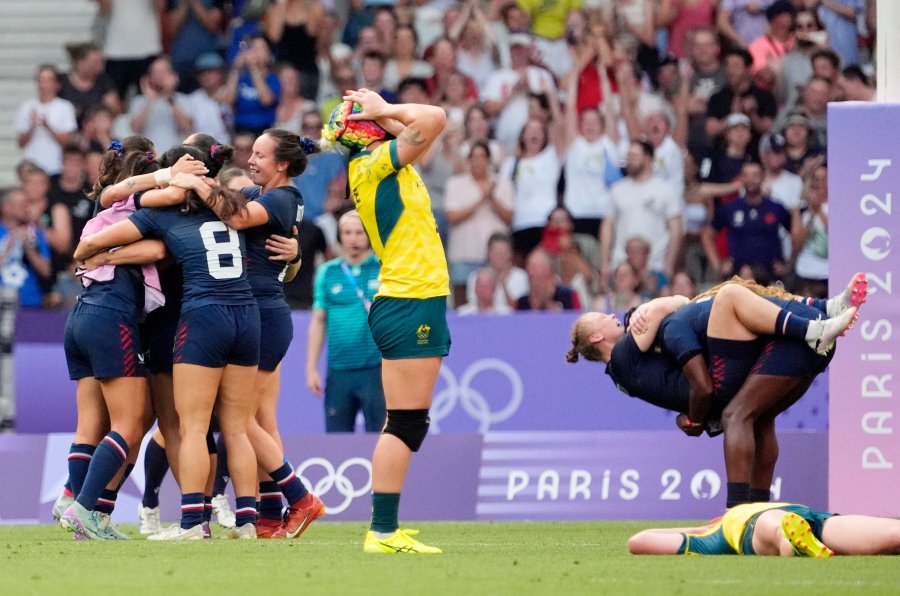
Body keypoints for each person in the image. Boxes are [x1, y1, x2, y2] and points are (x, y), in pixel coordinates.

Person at [74, 147, 261, 541]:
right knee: (237, 428)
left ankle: (193, 522)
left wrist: (99, 255)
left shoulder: (159, 214)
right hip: (248, 314)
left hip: (199, 317)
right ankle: (246, 520)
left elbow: (96, 238)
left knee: (185, 427)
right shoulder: (235, 206)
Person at [568, 275, 863, 507]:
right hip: (712, 389)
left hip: (706, 397)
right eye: (601, 318)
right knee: (729, 296)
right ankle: (815, 324)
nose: (610, 316)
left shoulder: (625, 368)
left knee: (759, 419)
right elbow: (673, 304)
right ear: (596, 337)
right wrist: (646, 309)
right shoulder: (621, 355)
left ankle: (824, 309)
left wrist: (692, 418)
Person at [319, 90, 449, 554]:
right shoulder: (375, 167)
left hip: (413, 296)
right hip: (410, 297)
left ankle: (385, 527)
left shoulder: (383, 165)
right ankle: (382, 531)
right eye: (375, 120)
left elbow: (424, 128)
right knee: (406, 422)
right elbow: (434, 114)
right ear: (368, 130)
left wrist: (383, 116)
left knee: (406, 420)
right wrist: (386, 109)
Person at [187, 128, 326, 539]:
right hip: (259, 312)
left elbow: (234, 216)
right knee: (255, 420)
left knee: (240, 420)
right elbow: (228, 203)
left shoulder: (283, 197)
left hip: (262, 313)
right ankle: (267, 516)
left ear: (282, 164)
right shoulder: (265, 195)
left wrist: (191, 179)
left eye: (260, 156)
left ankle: (300, 498)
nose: (251, 161)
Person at [58, 136, 161, 540]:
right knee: (131, 423)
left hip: (81, 315)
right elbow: (155, 248)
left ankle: (82, 510)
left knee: (90, 425)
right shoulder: (140, 208)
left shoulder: (98, 216)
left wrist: (103, 256)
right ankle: (84, 508)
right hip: (111, 317)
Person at [307, 211, 386, 433]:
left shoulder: (383, 269)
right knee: (337, 437)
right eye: (347, 233)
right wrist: (311, 367)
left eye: (359, 232)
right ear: (340, 237)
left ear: (369, 235)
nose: (353, 239)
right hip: (338, 370)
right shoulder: (327, 272)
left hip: (376, 369)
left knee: (380, 435)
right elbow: (318, 320)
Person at [628, 501, 900, 557]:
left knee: (893, 535)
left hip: (813, 521)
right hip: (764, 526)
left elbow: (638, 541)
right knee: (773, 523)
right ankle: (790, 542)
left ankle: (796, 544)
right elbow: (638, 542)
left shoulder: (714, 532)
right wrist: (696, 529)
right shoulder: (710, 539)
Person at [15, 65, 78, 177]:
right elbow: (21, 143)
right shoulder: (27, 106)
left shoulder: (65, 107)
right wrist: (32, 126)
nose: (43, 84)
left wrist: (48, 127)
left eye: (48, 80)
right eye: (40, 80)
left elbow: (67, 142)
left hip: (56, 166)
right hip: (31, 166)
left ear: (57, 84)